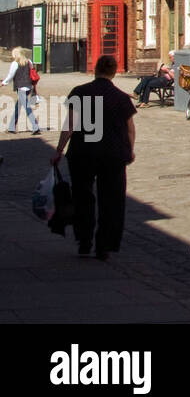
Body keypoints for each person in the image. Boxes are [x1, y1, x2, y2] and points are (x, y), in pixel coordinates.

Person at [50, 54, 136, 260]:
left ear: (96, 69)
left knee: (82, 197)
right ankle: (104, 246)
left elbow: (69, 125)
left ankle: (84, 241)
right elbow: (130, 130)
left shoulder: (79, 93)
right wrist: (129, 150)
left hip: (82, 153)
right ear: (114, 72)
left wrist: (59, 151)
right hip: (113, 154)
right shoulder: (122, 98)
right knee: (111, 200)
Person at [3, 46, 40, 134]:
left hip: (20, 88)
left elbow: (11, 75)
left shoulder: (15, 63)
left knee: (27, 108)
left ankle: (35, 126)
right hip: (28, 87)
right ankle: (11, 127)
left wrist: (4, 83)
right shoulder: (29, 61)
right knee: (18, 107)